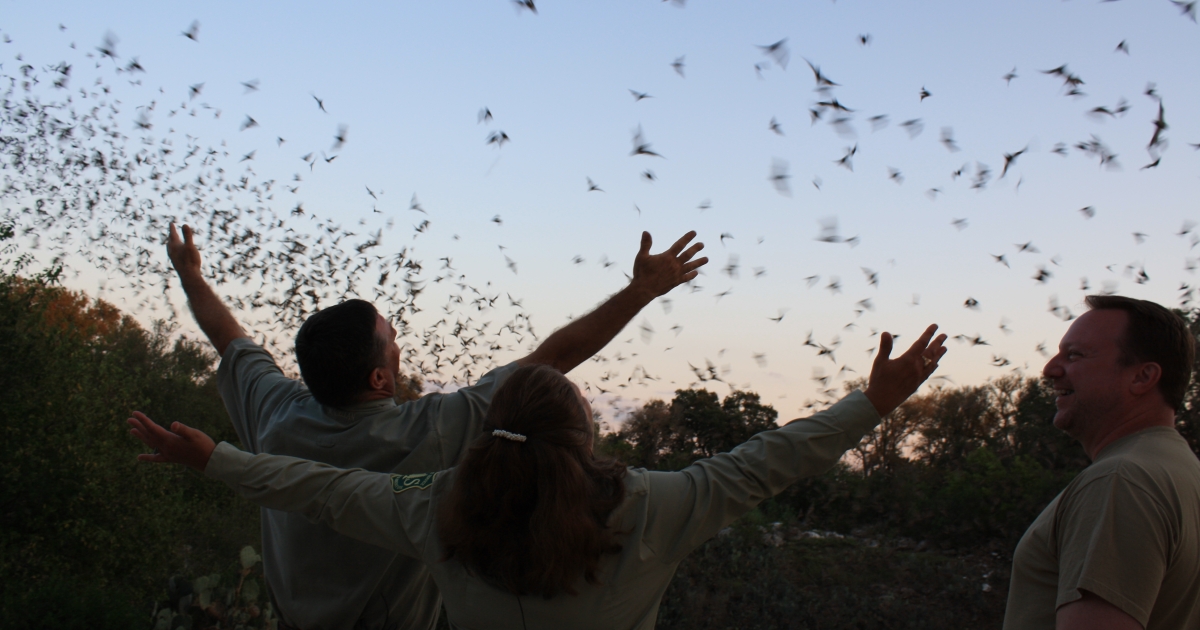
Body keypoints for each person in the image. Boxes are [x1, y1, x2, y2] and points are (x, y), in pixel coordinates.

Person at [128, 323, 948, 630]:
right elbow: (764, 461)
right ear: (584, 435)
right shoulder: (651, 507)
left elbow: (322, 491)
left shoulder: (438, 507)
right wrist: (869, 404)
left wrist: (217, 461)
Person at [165, 222, 708, 630]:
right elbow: (552, 360)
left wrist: (190, 275)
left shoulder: (273, 413)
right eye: (394, 341)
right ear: (381, 376)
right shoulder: (434, 431)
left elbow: (227, 335)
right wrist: (640, 293)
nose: (401, 348)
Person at [1004, 295, 1200, 630]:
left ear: (1142, 377)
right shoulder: (1183, 471)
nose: (1050, 369)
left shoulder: (1119, 481)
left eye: (1074, 355)